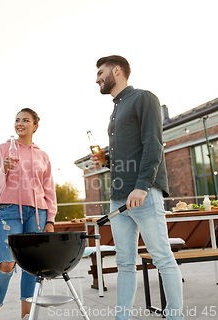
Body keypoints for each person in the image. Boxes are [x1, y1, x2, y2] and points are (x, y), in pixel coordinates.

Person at [92, 55, 184, 320]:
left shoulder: (144, 98)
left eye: (101, 72)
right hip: (119, 198)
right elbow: (128, 155)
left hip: (143, 194)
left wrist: (142, 187)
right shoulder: (116, 108)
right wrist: (106, 160)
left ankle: (175, 316)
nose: (97, 78)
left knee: (162, 258)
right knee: (124, 263)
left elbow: (153, 145)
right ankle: (123, 317)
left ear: (117, 70)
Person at [0, 108, 57, 320]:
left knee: (32, 267)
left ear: (35, 126)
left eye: (26, 120)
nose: (20, 123)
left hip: (38, 213)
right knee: (6, 264)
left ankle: (26, 315)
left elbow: (49, 189)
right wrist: (3, 169)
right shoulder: (4, 148)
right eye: (17, 120)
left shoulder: (42, 155)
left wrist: (50, 219)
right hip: (10, 210)